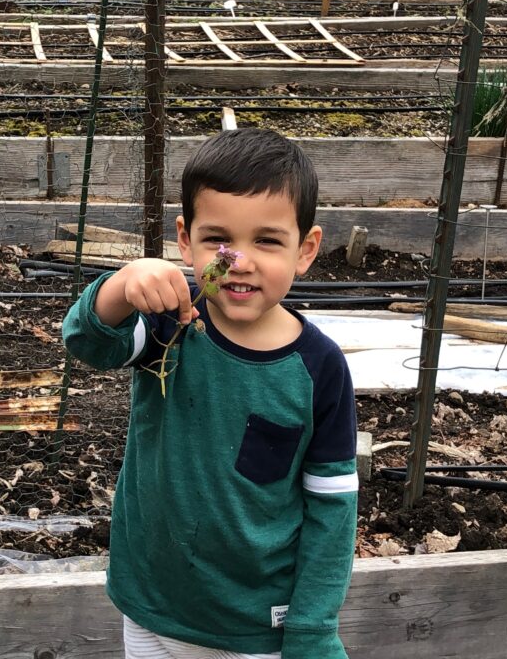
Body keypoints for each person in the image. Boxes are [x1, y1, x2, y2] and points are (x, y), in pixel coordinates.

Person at [62, 128, 358, 659]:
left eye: (267, 241)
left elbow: (331, 509)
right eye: (219, 240)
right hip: (152, 604)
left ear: (305, 249)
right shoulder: (167, 326)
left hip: (254, 628)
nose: (238, 261)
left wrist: (313, 629)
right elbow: (87, 341)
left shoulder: (320, 368)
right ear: (185, 240)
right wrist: (122, 284)